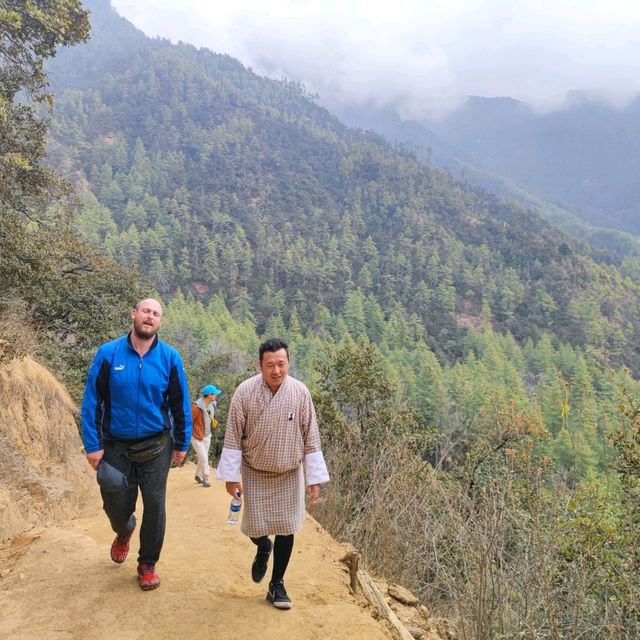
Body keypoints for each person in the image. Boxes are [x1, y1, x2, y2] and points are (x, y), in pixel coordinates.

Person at [80, 298, 192, 591]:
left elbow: (180, 403)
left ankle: (147, 564)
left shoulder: (170, 358)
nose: (149, 317)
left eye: (156, 314)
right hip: (115, 446)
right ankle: (123, 530)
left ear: (160, 322)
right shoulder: (108, 354)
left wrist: (182, 442)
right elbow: (92, 401)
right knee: (116, 504)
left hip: (156, 446)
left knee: (155, 506)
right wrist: (93, 445)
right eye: (145, 311)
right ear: (134, 314)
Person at [216, 338, 330, 609]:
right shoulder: (244, 392)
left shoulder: (300, 392)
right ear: (260, 365)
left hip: (290, 472)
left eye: (281, 364)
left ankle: (277, 584)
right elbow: (232, 435)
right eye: (270, 365)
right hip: (255, 471)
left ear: (288, 362)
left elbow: (311, 436)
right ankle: (262, 547)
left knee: (288, 528)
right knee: (253, 528)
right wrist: (232, 477)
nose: (276, 371)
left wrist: (313, 479)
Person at [191, 384, 222, 487]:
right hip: (197, 437)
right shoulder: (196, 407)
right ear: (209, 395)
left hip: (207, 436)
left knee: (202, 457)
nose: (216, 396)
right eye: (215, 394)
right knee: (204, 457)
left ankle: (198, 475)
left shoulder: (212, 404)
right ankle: (206, 479)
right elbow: (188, 422)